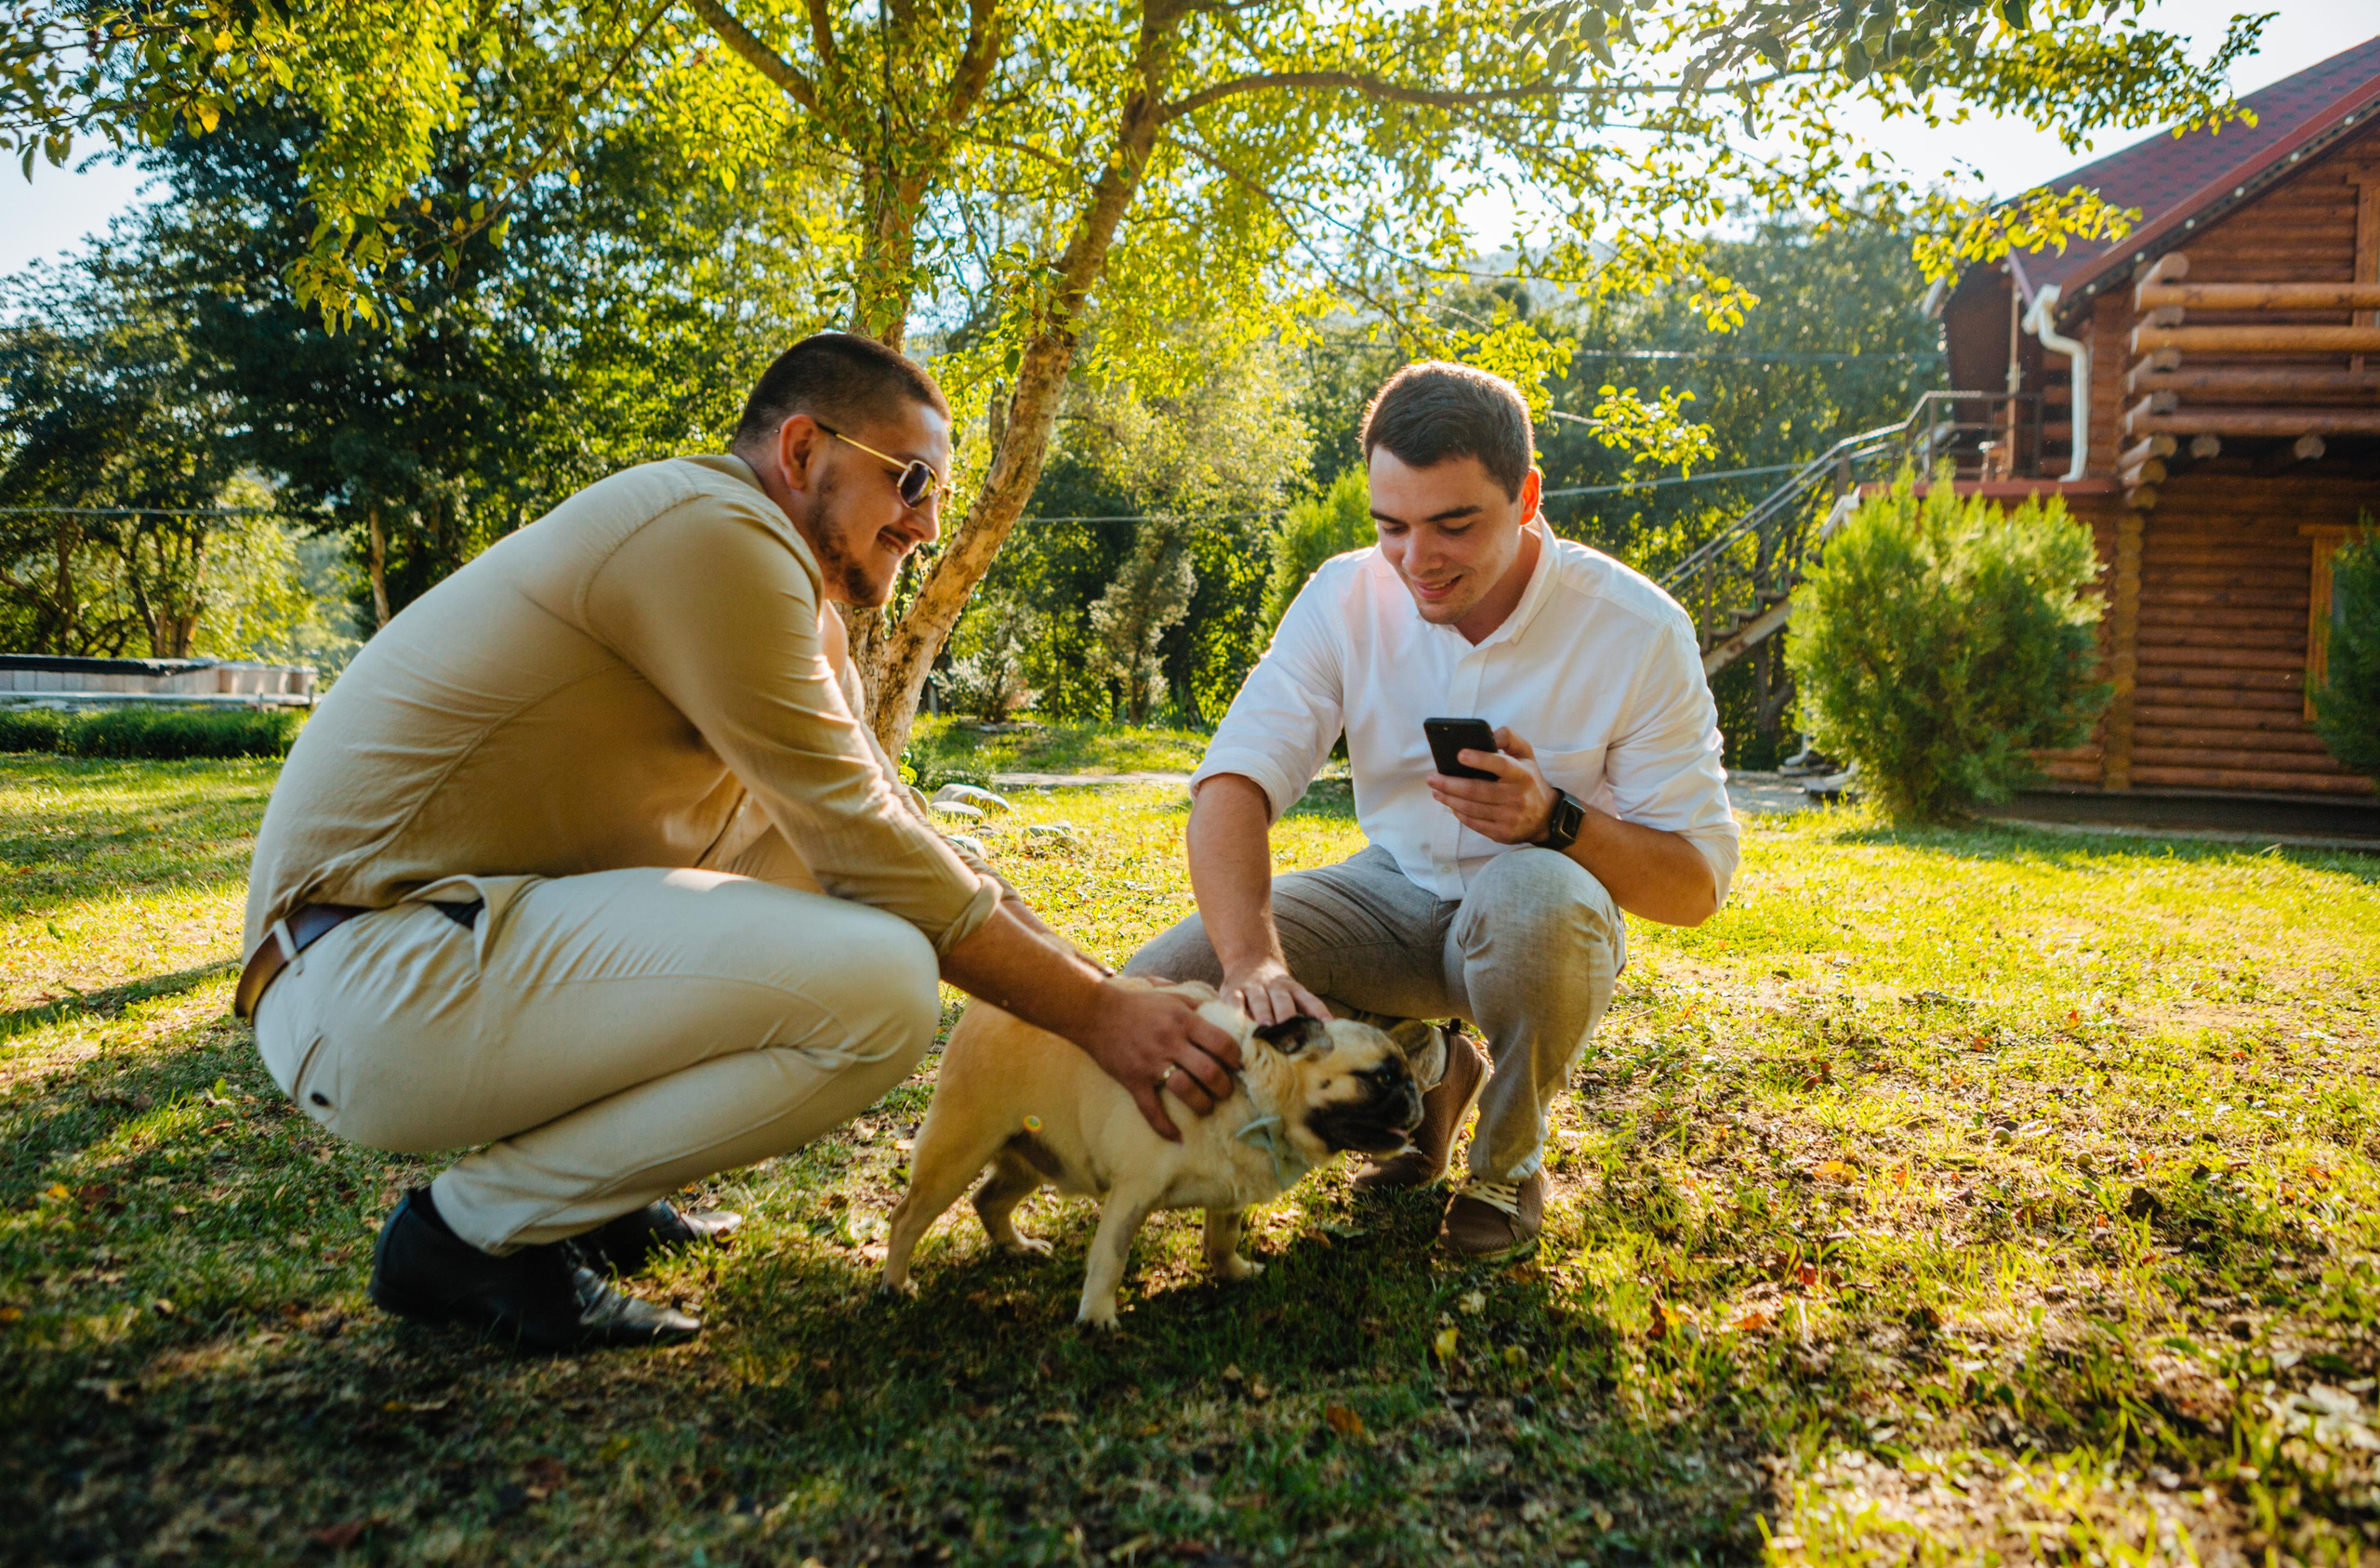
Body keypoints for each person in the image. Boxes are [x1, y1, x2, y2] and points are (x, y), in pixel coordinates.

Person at [238, 332, 1240, 1351]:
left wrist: (1099, 987)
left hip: (433, 964)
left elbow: (901, 839)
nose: (929, 521)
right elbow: (866, 848)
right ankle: (467, 1235)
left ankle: (593, 1201)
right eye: (912, 480)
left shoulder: (800, 619)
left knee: (834, 907)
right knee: (883, 985)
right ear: (803, 450)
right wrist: (1096, 1017)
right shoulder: (714, 533)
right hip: (361, 977)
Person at [1125, 361, 1738, 1260]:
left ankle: (1504, 1166)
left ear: (1526, 495)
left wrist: (1554, 820)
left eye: (1453, 524)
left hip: (1539, 911)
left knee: (1536, 898)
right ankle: (1433, 1066)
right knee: (1167, 986)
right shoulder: (1345, 596)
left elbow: (1694, 885)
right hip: (1392, 894)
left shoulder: (1637, 630)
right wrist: (1250, 958)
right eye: (1392, 528)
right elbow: (1232, 783)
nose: (1417, 560)